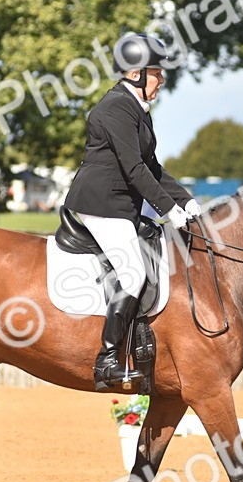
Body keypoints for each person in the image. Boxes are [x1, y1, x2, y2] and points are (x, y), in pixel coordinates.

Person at [63, 33, 200, 391]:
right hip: (101, 203)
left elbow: (152, 167)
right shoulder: (115, 108)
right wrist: (168, 210)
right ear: (137, 72)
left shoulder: (136, 108)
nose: (162, 79)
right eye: (157, 72)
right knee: (133, 272)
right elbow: (133, 169)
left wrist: (185, 200)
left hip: (120, 204)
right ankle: (107, 361)